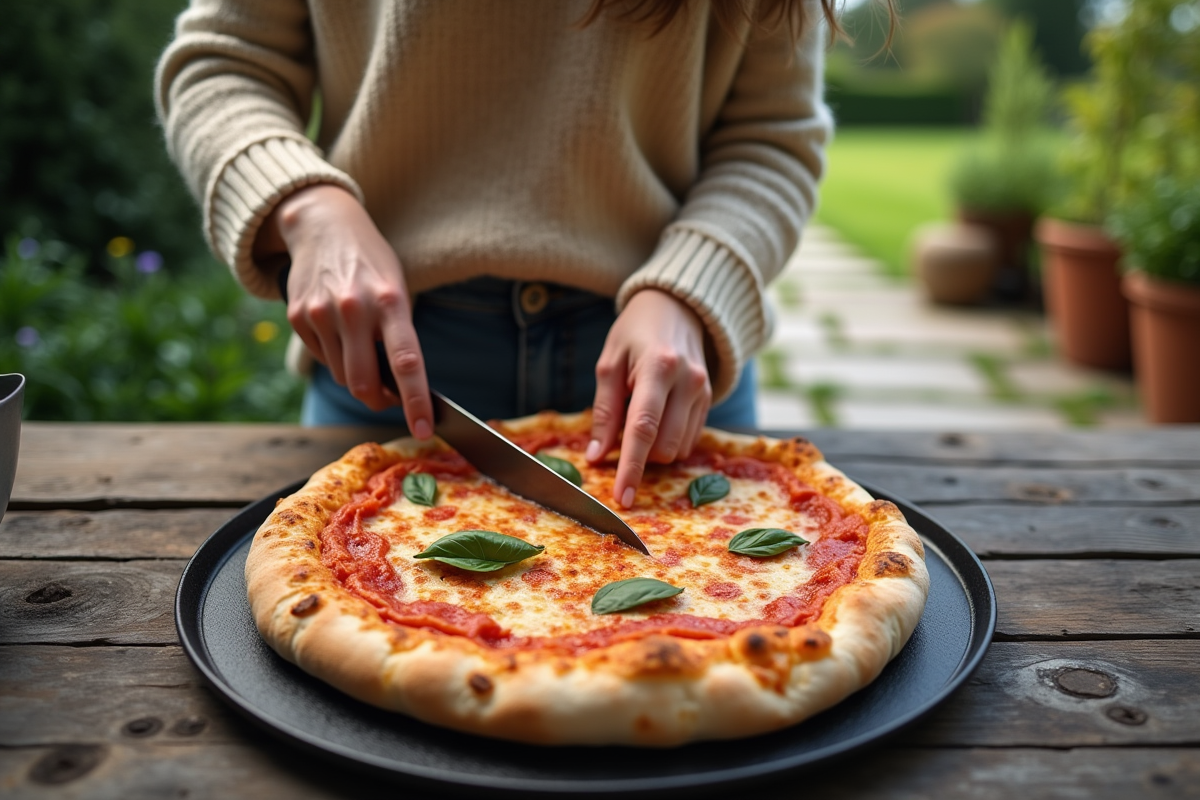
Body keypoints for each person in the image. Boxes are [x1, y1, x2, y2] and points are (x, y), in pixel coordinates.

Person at [155, 0, 842, 509]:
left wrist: (695, 287)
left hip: (665, 375)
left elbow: (772, 136)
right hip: (397, 372)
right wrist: (307, 208)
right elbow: (221, 66)